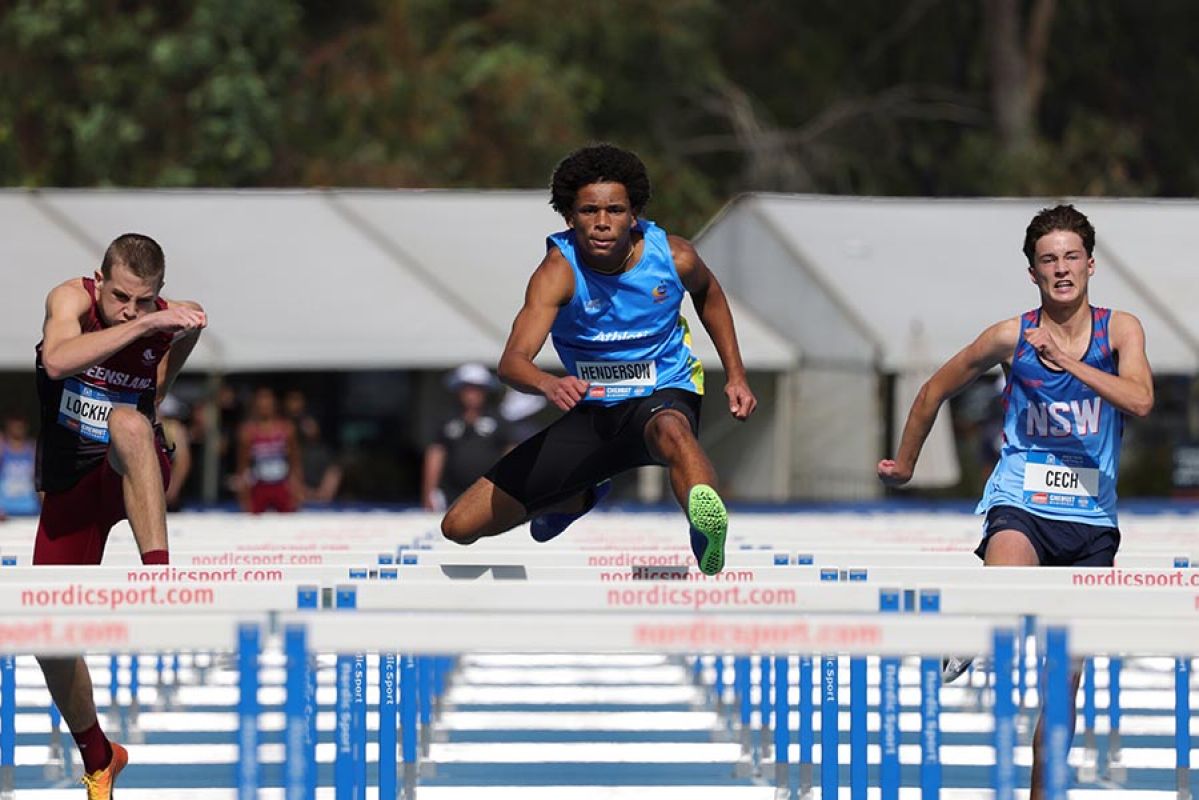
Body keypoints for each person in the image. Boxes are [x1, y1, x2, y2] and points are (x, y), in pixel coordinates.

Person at [878, 205, 1153, 799]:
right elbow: (933, 389)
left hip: (1091, 522)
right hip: (1021, 500)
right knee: (1005, 574)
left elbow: (1140, 400)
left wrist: (1071, 364)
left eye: (1070, 257)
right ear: (1032, 272)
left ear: (1090, 265)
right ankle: (975, 628)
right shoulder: (1010, 335)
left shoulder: (1121, 329)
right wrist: (904, 463)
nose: (1061, 269)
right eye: (1048, 260)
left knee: (1059, 698)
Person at [440, 144, 757, 575]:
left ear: (634, 214)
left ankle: (706, 527)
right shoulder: (558, 271)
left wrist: (735, 375)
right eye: (589, 211)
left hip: (662, 391)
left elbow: (710, 296)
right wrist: (548, 383)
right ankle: (582, 493)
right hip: (594, 411)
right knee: (458, 526)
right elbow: (512, 362)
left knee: (672, 429)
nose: (603, 224)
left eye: (615, 210)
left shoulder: (675, 257)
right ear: (570, 217)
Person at [34, 233, 206, 798]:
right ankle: (101, 755)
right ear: (100, 281)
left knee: (131, 423)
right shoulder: (70, 300)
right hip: (70, 486)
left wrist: (177, 342)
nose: (132, 310)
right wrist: (145, 326)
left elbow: (151, 395)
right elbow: (57, 360)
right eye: (122, 298)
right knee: (46, 639)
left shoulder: (162, 321)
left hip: (131, 471)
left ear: (160, 292)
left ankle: (159, 577)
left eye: (146, 300)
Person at [421, 363, 515, 511]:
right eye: (467, 388)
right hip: (451, 494)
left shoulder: (499, 420)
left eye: (477, 388)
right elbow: (435, 455)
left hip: (488, 494)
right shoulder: (446, 420)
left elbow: (510, 455)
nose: (472, 393)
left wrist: (508, 491)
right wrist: (429, 492)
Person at [236, 387, 302, 513]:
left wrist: (297, 488)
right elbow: (243, 466)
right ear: (255, 405)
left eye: (268, 403)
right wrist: (244, 494)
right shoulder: (248, 431)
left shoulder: (286, 429)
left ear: (274, 405)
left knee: (289, 522)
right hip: (258, 485)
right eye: (261, 404)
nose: (264, 407)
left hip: (281, 484)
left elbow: (295, 461)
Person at [0, 414, 40, 517]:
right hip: (5, 513)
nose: (18, 424)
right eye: (15, 420)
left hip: (31, 512)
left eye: (22, 421)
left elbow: (41, 482)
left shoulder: (34, 449)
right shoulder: (2, 447)